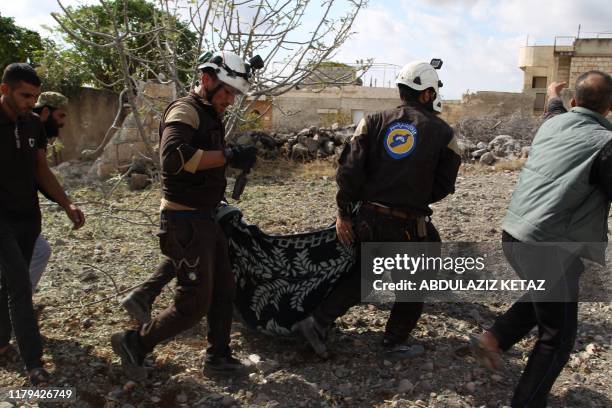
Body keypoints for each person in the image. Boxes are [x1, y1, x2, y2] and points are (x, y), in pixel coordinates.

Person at [294, 59, 461, 358]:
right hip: (407, 222)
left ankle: (316, 322)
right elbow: (444, 185)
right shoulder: (443, 133)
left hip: (367, 218)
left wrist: (344, 213)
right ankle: (394, 341)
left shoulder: (371, 121)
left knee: (366, 274)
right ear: (426, 93)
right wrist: (414, 196)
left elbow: (348, 172)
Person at [111, 51, 259, 380]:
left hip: (205, 217)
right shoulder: (185, 110)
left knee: (223, 290)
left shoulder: (208, 113)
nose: (230, 100)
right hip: (184, 221)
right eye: (226, 92)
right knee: (193, 303)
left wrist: (232, 156)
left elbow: (206, 155)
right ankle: (135, 343)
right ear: (206, 80)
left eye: (234, 93)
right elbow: (173, 159)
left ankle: (218, 356)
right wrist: (229, 154)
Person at [471, 71, 612, 408]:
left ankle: (494, 338)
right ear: (609, 108)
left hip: (515, 235)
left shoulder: (551, 124)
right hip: (549, 246)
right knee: (557, 338)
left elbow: (553, 110)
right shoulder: (605, 144)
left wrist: (552, 92)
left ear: (574, 103)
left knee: (548, 295)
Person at [0, 63, 84, 385]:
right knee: (20, 283)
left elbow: (41, 171)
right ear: (5, 89)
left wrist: (67, 203)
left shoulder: (34, 124)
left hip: (28, 218)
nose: (30, 103)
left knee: (9, 284)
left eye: (34, 97)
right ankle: (34, 362)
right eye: (24, 95)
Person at [29, 91, 70, 292]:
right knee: (39, 252)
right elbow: (41, 172)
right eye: (60, 116)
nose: (62, 123)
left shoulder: (33, 130)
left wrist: (66, 203)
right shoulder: (27, 127)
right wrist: (67, 204)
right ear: (46, 111)